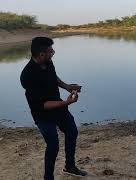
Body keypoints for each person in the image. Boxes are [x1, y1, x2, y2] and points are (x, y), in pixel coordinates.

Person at [20, 37, 87, 180]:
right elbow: (43, 104)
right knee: (53, 145)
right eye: (51, 51)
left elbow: (53, 77)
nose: (53, 53)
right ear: (41, 54)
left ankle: (70, 166)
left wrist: (67, 86)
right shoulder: (28, 75)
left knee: (72, 132)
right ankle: (48, 177)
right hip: (43, 115)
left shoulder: (48, 62)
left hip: (59, 108)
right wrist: (66, 103)